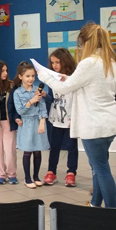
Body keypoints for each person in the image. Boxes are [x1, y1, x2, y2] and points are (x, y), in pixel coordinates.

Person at [37, 23, 116, 208]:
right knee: (98, 167)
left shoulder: (88, 63)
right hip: (110, 123)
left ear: (86, 43)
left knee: (101, 169)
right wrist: (69, 79)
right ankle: (95, 204)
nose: (80, 48)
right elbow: (93, 85)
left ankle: (112, 212)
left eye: (81, 45)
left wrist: (44, 76)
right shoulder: (110, 62)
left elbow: (63, 88)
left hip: (95, 125)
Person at [43, 49, 78, 187]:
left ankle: (71, 173)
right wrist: (46, 97)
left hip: (70, 118)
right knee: (54, 146)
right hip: (56, 118)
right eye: (52, 63)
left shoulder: (74, 77)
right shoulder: (53, 78)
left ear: (65, 61)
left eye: (57, 62)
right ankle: (51, 171)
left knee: (71, 146)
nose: (54, 65)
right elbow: (53, 99)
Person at [14, 62, 50, 189]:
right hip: (26, 124)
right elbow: (20, 111)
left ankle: (36, 176)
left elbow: (43, 108)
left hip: (38, 123)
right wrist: (31, 101)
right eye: (27, 76)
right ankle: (27, 178)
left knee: (38, 150)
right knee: (28, 151)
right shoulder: (18, 93)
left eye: (33, 76)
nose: (31, 79)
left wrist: (42, 122)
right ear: (20, 77)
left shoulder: (37, 90)